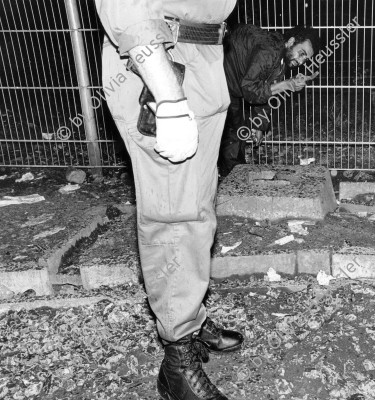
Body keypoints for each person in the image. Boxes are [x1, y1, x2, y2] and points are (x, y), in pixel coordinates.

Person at [94, 1, 242, 399]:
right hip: (161, 63)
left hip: (201, 58)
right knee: (175, 216)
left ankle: (190, 318)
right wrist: (168, 94)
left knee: (198, 207)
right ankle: (177, 362)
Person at [218, 24, 321, 176]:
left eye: (305, 58)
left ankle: (233, 173)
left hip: (235, 82)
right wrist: (286, 84)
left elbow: (265, 90)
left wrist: (260, 125)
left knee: (239, 128)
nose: (301, 61)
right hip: (222, 79)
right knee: (235, 130)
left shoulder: (280, 56)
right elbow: (249, 90)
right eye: (301, 53)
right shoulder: (269, 51)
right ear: (291, 41)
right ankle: (232, 178)